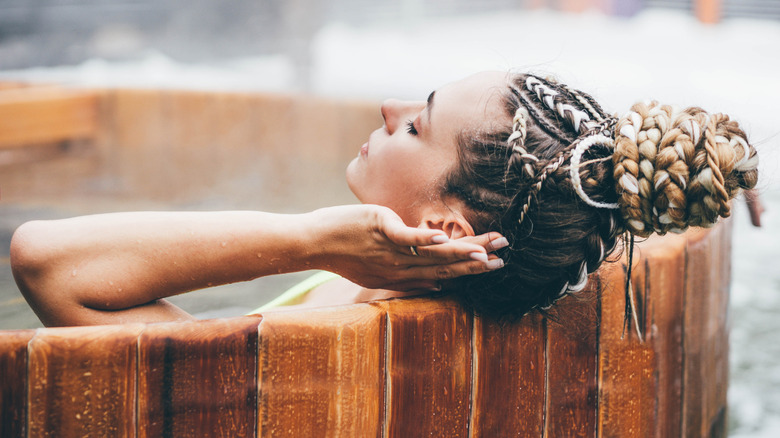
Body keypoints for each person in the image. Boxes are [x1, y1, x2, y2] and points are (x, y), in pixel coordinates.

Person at [10, 71, 760, 326]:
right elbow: (601, 192)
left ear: (443, 225)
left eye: (417, 124)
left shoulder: (324, 348)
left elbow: (45, 262)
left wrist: (313, 238)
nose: (387, 108)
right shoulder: (404, 301)